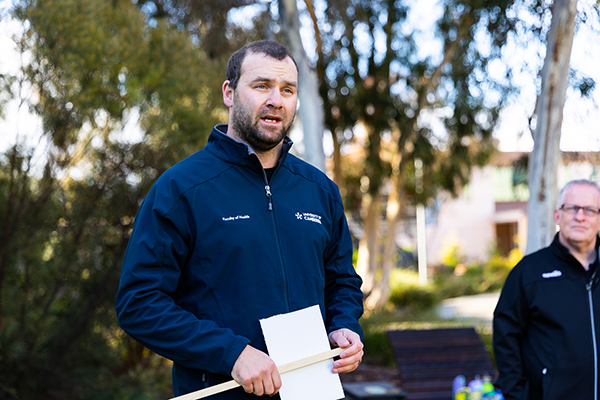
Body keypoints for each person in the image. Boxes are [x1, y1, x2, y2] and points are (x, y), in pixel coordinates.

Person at [115, 40, 364, 399]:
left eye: (287, 90)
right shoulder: (182, 189)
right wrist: (232, 354)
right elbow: (139, 302)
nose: (276, 100)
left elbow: (342, 282)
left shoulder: (319, 190)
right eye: (261, 85)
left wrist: (344, 326)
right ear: (229, 93)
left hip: (314, 390)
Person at [493, 179, 600, 400]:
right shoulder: (529, 273)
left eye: (589, 210)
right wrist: (517, 395)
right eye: (571, 208)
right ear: (557, 215)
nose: (580, 216)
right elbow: (506, 340)